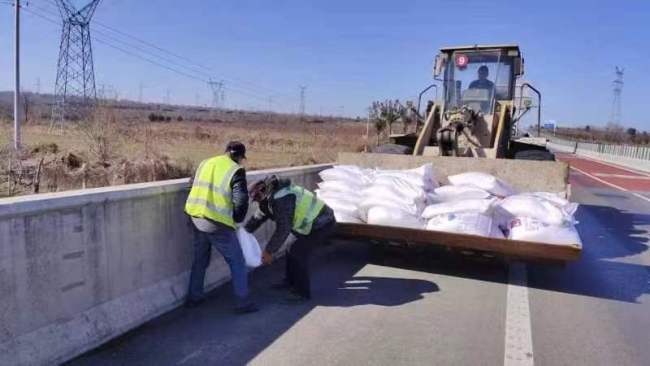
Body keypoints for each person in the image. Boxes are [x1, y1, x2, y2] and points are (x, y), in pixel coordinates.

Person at [184, 141, 258, 314]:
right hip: (216, 223)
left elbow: (191, 185)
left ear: (225, 151)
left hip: (195, 216)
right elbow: (240, 201)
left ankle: (194, 297)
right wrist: (237, 222)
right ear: (240, 157)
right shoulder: (235, 170)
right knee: (237, 262)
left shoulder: (205, 163)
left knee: (200, 260)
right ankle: (242, 303)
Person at [245, 175, 336, 302]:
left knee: (298, 253)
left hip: (322, 223)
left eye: (258, 197)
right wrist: (243, 233)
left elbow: (284, 228)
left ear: (265, 191)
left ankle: (302, 293)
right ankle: (290, 282)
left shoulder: (282, 199)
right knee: (290, 249)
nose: (257, 201)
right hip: (310, 225)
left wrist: (269, 251)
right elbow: (257, 219)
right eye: (255, 199)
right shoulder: (267, 202)